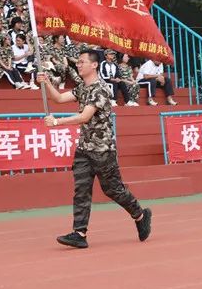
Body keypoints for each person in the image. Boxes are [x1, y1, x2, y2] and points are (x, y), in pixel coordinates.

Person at [38, 50, 151, 248]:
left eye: (82, 62)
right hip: (84, 148)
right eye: (78, 62)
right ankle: (79, 233)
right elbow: (58, 99)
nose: (78, 65)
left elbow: (84, 117)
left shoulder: (100, 89)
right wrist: (46, 82)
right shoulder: (82, 87)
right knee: (81, 190)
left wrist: (56, 122)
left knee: (113, 190)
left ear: (94, 65)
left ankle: (140, 215)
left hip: (102, 149)